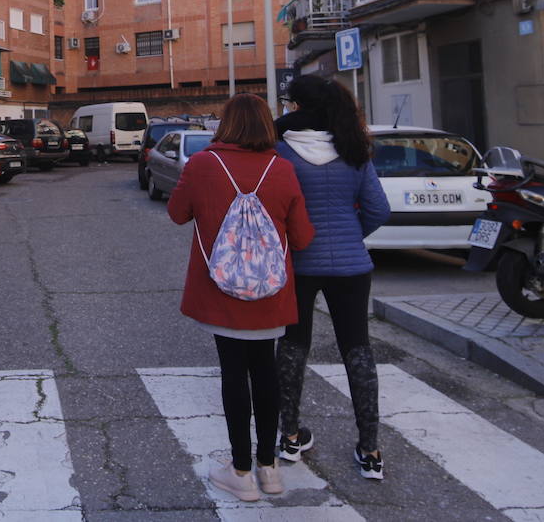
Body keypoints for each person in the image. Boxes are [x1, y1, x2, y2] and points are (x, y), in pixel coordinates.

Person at [167, 94, 315, 502]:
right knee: (265, 371)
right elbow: (302, 236)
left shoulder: (202, 164)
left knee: (234, 373)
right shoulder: (282, 169)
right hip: (270, 292)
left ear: (227, 125)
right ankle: (270, 470)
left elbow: (178, 214)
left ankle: (241, 471)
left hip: (221, 291)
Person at [273, 75, 391, 480]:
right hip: (352, 267)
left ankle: (289, 435)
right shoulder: (354, 149)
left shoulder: (281, 151)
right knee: (357, 349)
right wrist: (347, 237)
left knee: (292, 346)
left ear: (299, 107)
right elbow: (379, 209)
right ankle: (370, 449)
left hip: (299, 264)